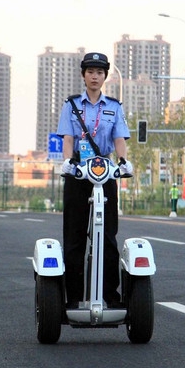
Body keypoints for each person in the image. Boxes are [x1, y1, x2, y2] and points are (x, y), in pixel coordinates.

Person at [57, 52, 132, 308]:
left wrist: (123, 162)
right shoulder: (71, 105)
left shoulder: (114, 106)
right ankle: (73, 298)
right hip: (79, 173)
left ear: (105, 77)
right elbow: (68, 138)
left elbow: (119, 139)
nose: (95, 76)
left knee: (108, 237)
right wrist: (68, 162)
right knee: (75, 237)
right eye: (90, 72)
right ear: (83, 75)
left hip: (104, 172)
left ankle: (111, 296)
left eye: (99, 72)